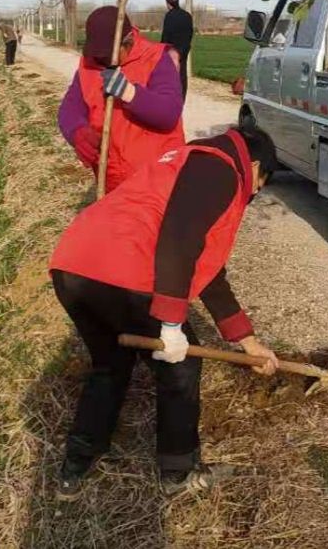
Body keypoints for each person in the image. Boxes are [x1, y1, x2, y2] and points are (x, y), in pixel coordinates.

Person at [48, 125, 280, 498]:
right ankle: (177, 472)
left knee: (111, 364)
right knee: (182, 367)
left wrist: (247, 341)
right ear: (255, 167)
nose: (253, 194)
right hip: (125, 272)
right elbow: (179, 240)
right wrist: (171, 324)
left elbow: (209, 272)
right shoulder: (221, 169)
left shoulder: (185, 162)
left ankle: (75, 467)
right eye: (260, 184)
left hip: (72, 266)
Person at [58, 6, 185, 191]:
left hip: (157, 180)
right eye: (98, 55)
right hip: (112, 180)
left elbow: (168, 114)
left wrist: (129, 93)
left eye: (108, 55)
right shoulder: (89, 64)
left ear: (128, 42)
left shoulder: (156, 59)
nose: (103, 61)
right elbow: (70, 108)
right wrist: (77, 132)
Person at [160, 0, 194, 99]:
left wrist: (162, 48)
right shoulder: (187, 15)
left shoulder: (169, 16)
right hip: (184, 49)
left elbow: (166, 33)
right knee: (182, 74)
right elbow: (190, 32)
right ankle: (182, 96)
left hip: (172, 49)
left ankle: (171, 95)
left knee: (170, 73)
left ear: (168, 4)